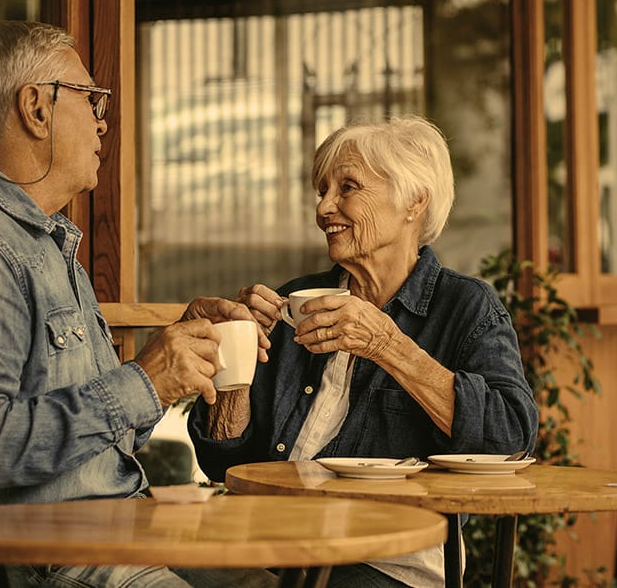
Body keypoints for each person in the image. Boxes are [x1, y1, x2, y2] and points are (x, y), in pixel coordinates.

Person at [0, 20, 274, 588]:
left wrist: (174, 363)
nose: (103, 119)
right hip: (41, 559)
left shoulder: (43, 242)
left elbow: (110, 438)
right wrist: (144, 381)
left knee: (270, 579)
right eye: (91, 98)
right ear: (36, 108)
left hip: (110, 531)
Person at [188, 115, 539, 587]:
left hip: (386, 562)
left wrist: (389, 346)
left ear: (414, 201)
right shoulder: (298, 300)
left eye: (347, 187)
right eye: (321, 190)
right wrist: (236, 356)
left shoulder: (464, 307)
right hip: (267, 541)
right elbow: (225, 464)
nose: (324, 208)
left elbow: (512, 436)